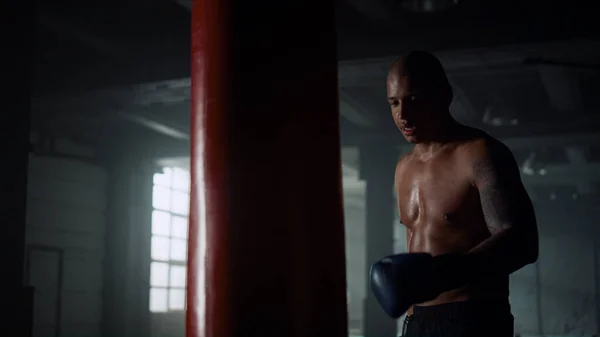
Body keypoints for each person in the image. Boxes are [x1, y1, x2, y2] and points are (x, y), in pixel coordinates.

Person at [369, 50, 539, 337]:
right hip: (417, 321)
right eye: (394, 103)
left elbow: (521, 242)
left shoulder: (479, 154)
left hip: (472, 318)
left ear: (444, 95)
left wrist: (442, 274)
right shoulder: (403, 168)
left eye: (413, 100)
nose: (402, 115)